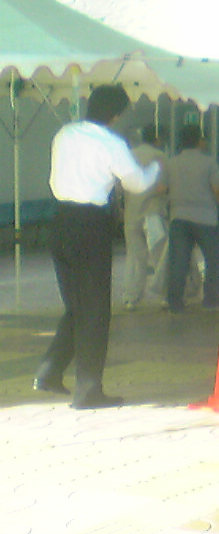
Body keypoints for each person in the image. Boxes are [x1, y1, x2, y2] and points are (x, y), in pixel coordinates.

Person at [35, 84, 161, 409]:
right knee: (93, 310)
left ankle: (49, 373)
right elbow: (137, 183)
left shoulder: (65, 134)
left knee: (76, 306)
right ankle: (88, 391)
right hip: (90, 225)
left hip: (59, 221)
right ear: (116, 114)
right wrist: (156, 168)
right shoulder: (111, 143)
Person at [165, 123, 219, 313]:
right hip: (205, 219)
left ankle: (175, 302)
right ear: (199, 141)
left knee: (178, 262)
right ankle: (210, 300)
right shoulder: (209, 162)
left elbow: (163, 188)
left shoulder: (171, 163)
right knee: (213, 261)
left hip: (178, 218)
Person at [119, 125, 168, 311]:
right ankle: (164, 295)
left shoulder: (128, 155)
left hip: (131, 213)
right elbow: (164, 186)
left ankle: (131, 297)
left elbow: (119, 187)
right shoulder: (160, 156)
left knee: (134, 256)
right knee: (159, 256)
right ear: (157, 139)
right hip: (153, 213)